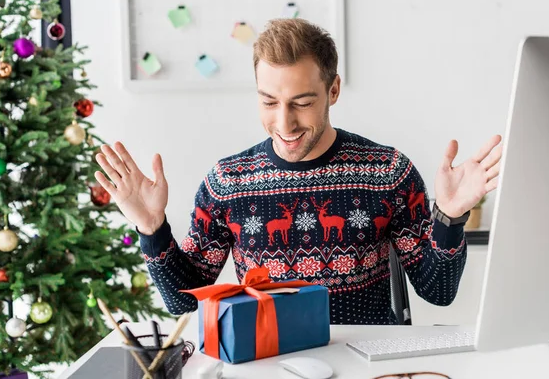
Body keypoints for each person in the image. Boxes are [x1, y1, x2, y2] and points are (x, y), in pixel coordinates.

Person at [94, 19, 502, 325]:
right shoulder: (227, 183)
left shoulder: (388, 173)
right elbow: (186, 300)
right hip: (267, 360)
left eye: (302, 102)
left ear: (334, 90)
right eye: (269, 102)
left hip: (365, 362)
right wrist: (152, 229)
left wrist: (448, 217)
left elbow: (439, 292)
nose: (284, 124)